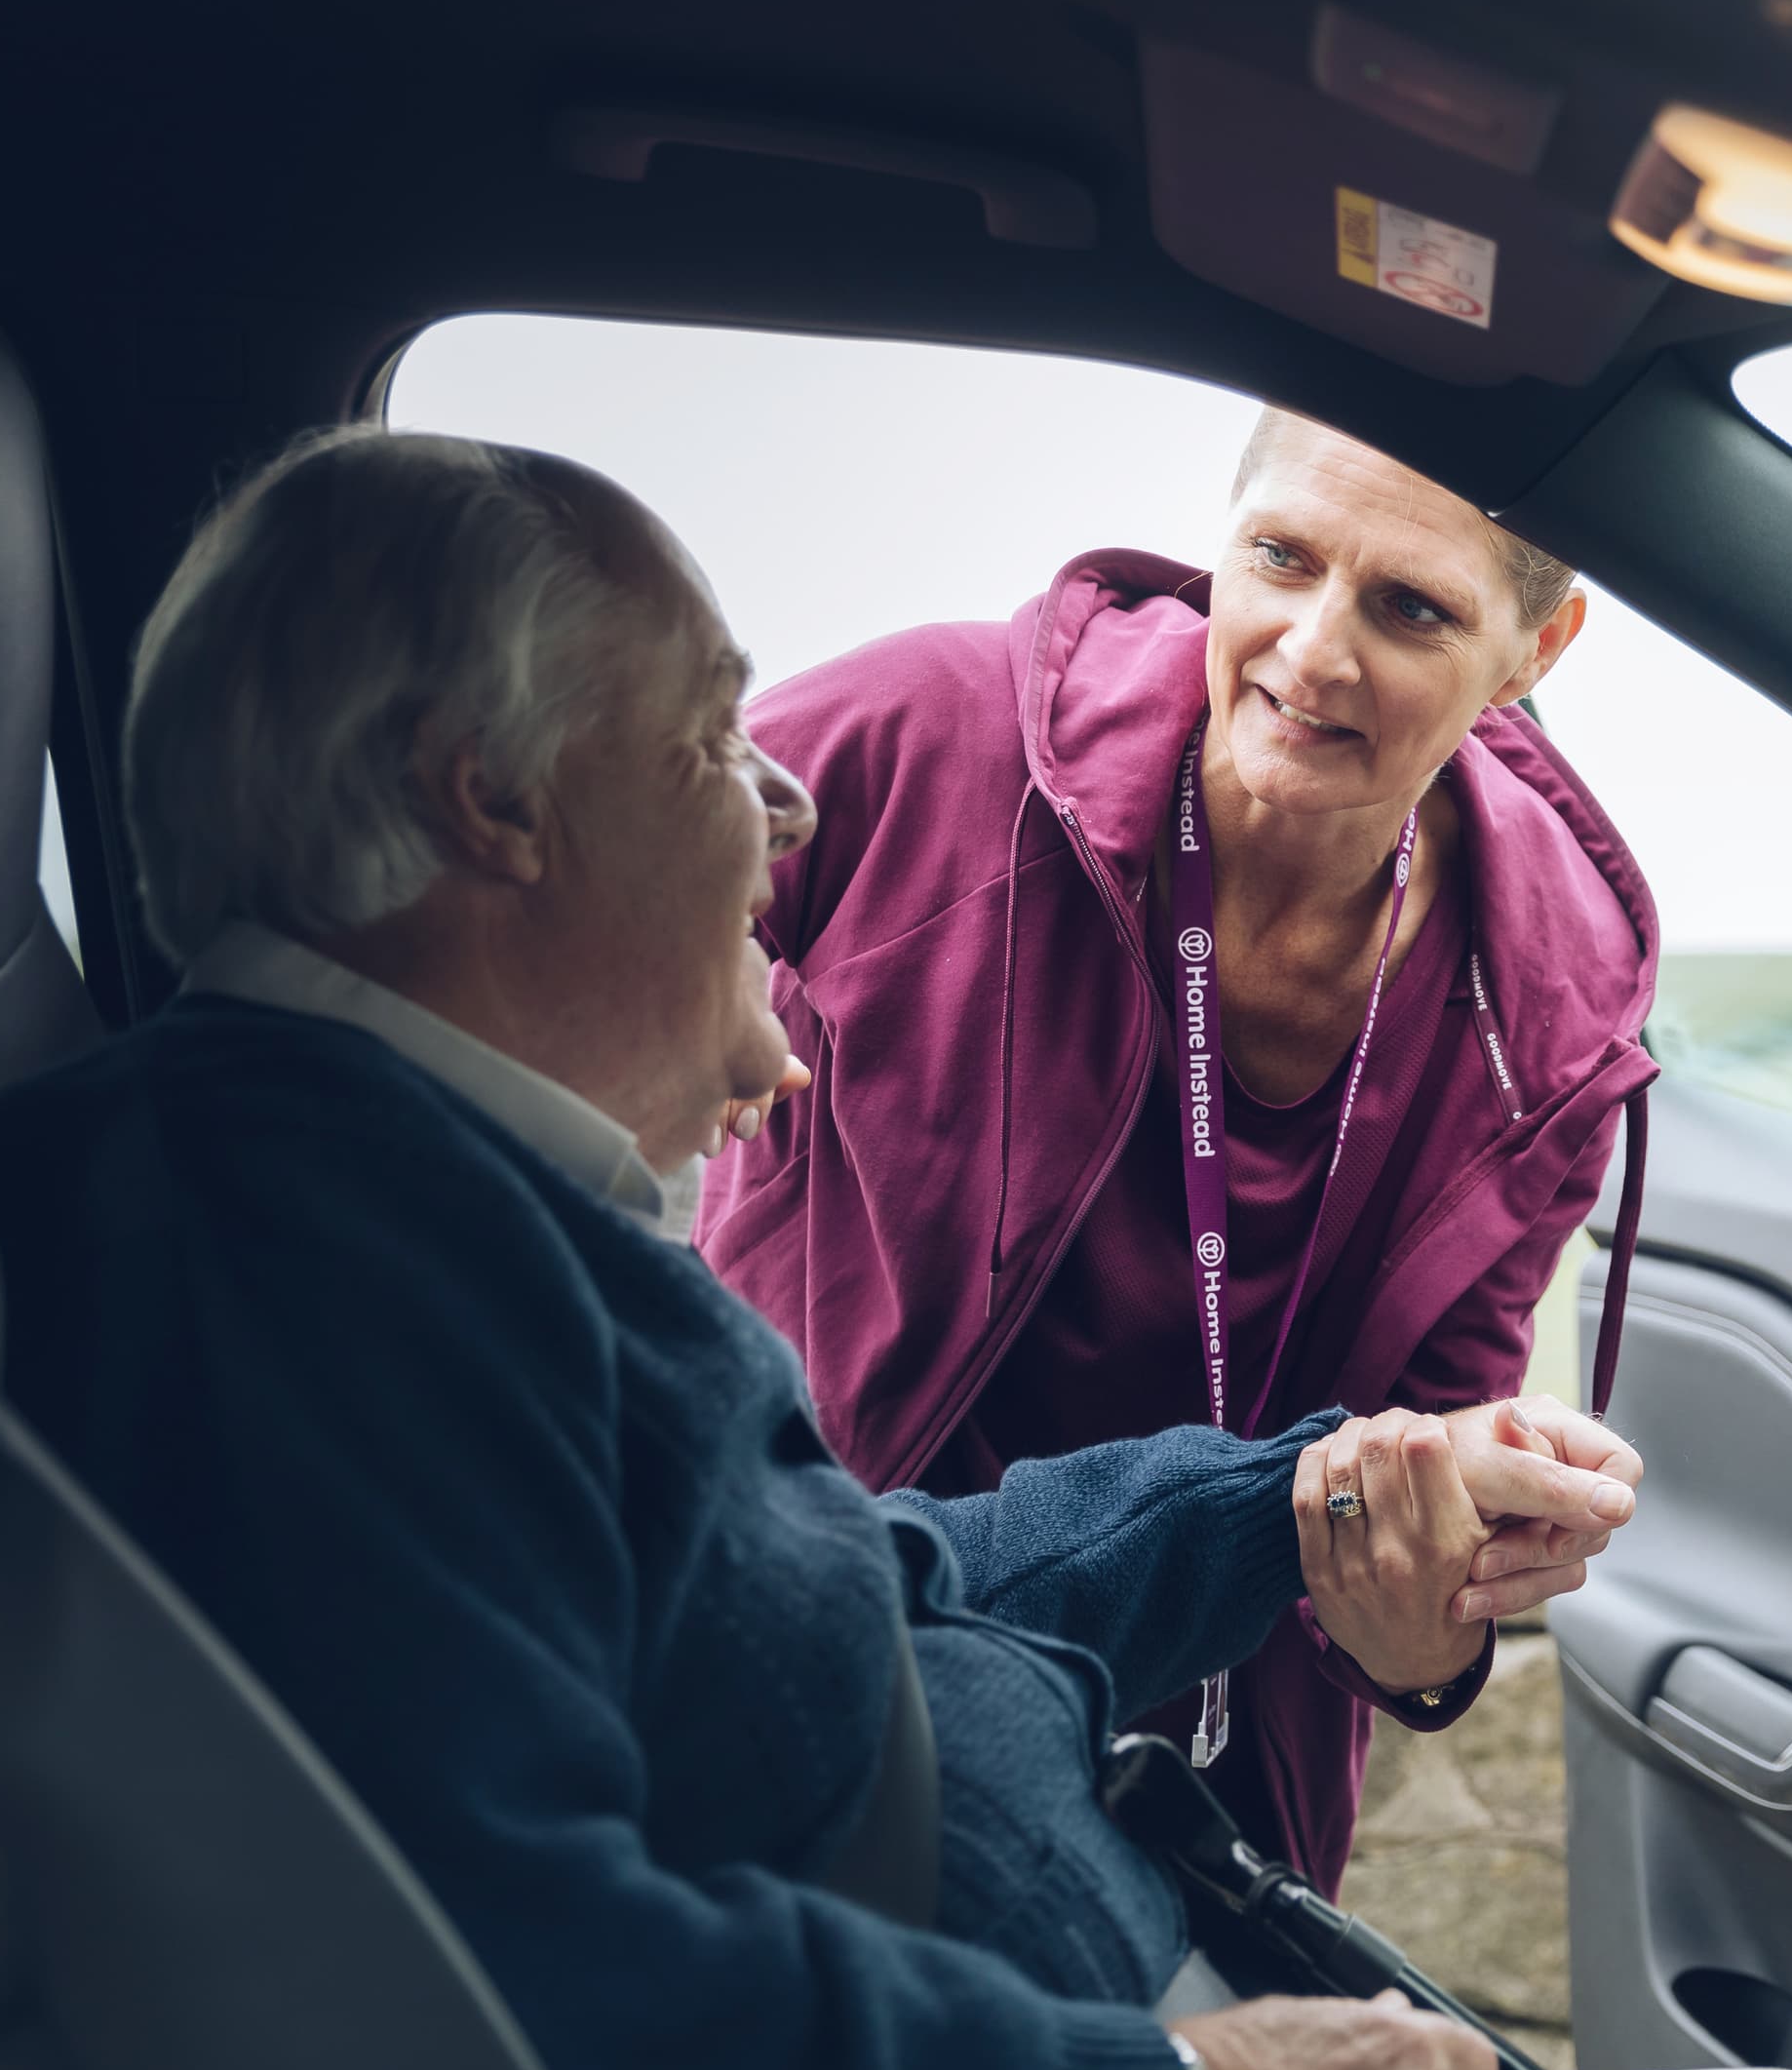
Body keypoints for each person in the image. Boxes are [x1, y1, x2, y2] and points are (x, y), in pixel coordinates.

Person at [0, 428, 1666, 2070]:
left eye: (1410, 606)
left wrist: (1294, 1494)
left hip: (1088, 2061)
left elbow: (873, 1583)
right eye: (712, 738)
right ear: (493, 805)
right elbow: (511, 2001)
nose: (784, 808)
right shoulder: (293, 1257)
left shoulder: (461, 1212)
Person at [698, 408, 1661, 1896]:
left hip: (1189, 1803)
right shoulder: (933, 735)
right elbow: (567, 891)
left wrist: (1426, 1621)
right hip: (832, 1645)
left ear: (1537, 652)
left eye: (1411, 608)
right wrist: (707, 1020)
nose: (1313, 651)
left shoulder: (1548, 1010)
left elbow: (1404, 1534)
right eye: (1279, 558)